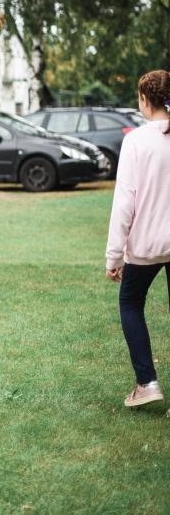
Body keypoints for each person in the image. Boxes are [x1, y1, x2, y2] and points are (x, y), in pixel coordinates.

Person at [106, 69, 170, 409]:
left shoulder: (136, 141)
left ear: (145, 100)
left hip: (147, 245)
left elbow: (124, 203)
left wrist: (113, 257)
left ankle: (147, 382)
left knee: (130, 302)